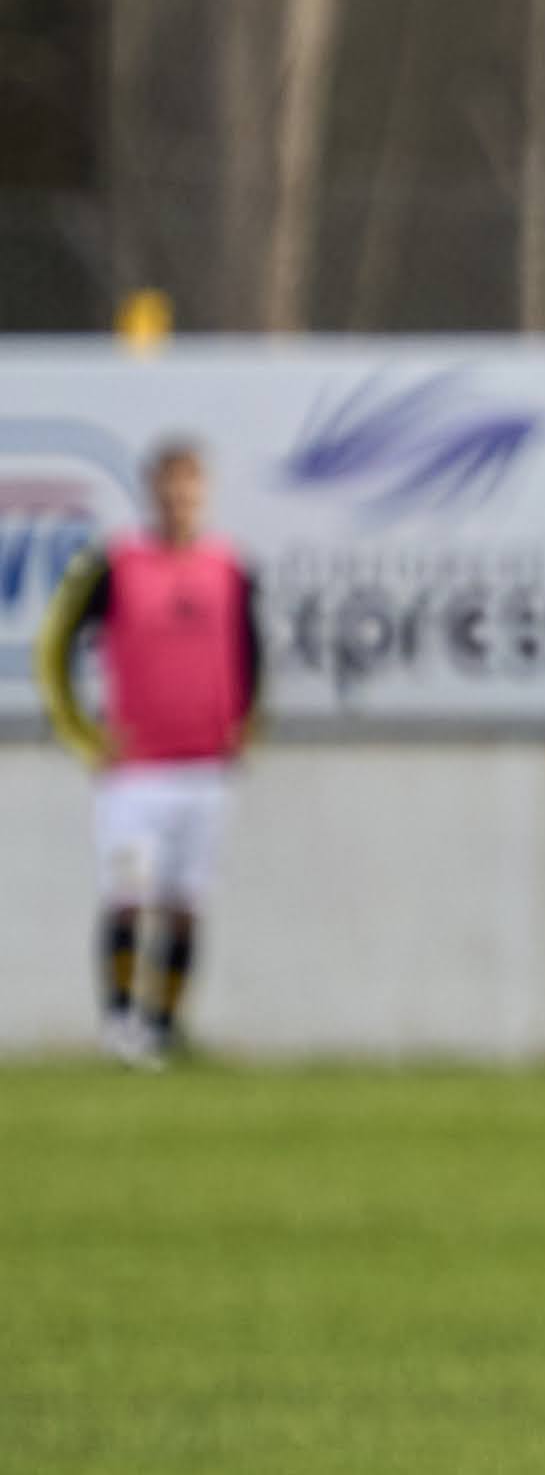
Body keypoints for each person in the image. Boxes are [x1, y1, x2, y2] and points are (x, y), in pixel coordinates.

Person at [36, 436, 259, 1067]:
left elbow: (252, 653)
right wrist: (83, 732)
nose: (180, 500)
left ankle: (163, 1025)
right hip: (135, 776)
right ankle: (119, 1022)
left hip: (204, 769)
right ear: (151, 493)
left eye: (190, 487)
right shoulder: (115, 566)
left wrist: (244, 724)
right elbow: (55, 648)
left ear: (203, 494)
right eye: (169, 487)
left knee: (185, 904)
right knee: (129, 894)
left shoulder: (228, 569)